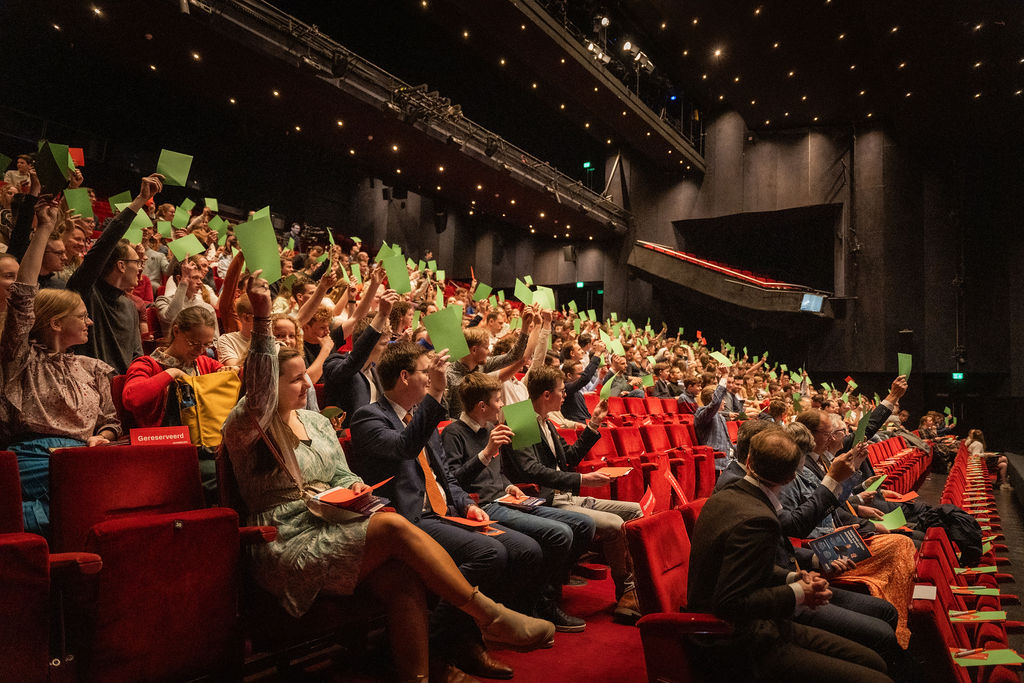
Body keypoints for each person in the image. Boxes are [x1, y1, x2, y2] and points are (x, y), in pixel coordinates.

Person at [222, 274, 553, 683]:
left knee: (403, 579)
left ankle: (419, 676)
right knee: (394, 524)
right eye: (294, 378)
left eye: (303, 374)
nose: (308, 381)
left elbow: (341, 473)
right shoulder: (246, 424)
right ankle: (488, 615)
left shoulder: (314, 420)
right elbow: (255, 395)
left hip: (332, 521)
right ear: (269, 384)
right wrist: (261, 319)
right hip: (286, 538)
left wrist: (355, 485)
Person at [350, 341, 550, 679]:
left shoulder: (419, 418)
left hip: (444, 511)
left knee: (527, 551)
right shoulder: (369, 417)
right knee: (491, 554)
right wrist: (437, 395)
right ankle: (445, 645)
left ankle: (452, 639)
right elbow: (403, 447)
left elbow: (447, 479)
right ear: (403, 376)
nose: (429, 379)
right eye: (424, 373)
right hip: (408, 521)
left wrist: (468, 505)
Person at [687, 430, 892, 682]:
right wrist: (799, 592)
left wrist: (793, 577)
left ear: (748, 461)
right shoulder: (758, 519)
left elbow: (749, 567)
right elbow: (729, 603)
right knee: (877, 674)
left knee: (873, 660)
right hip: (743, 641)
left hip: (764, 621)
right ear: (792, 476)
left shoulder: (725, 494)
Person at [0, 198, 120, 535]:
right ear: (54, 323)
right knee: (89, 497)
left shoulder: (93, 368)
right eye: (82, 317)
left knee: (102, 488)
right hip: (32, 459)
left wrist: (103, 437)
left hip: (80, 461)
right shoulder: (22, 359)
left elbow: (111, 422)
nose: (91, 322)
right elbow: (23, 296)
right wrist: (44, 229)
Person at [443, 372, 597, 633]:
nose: (503, 404)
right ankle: (536, 602)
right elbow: (452, 483)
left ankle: (543, 596)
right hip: (483, 507)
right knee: (559, 534)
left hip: (506, 500)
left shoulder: (492, 429)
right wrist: (485, 454)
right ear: (482, 406)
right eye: (498, 400)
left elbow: (498, 473)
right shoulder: (453, 433)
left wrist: (509, 485)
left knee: (583, 524)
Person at [502, 365, 642, 623]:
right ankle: (628, 592)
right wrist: (582, 479)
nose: (565, 396)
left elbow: (570, 457)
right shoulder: (520, 418)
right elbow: (531, 470)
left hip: (566, 495)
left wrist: (595, 423)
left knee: (635, 511)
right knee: (615, 524)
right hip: (547, 499)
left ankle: (633, 589)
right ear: (546, 395)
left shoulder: (547, 421)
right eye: (561, 391)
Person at [66, 173, 164, 373]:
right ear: (120, 265)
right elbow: (102, 248)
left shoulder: (130, 306)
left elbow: (137, 357)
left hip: (121, 393)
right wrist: (139, 201)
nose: (140, 268)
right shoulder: (85, 293)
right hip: (88, 390)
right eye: (136, 262)